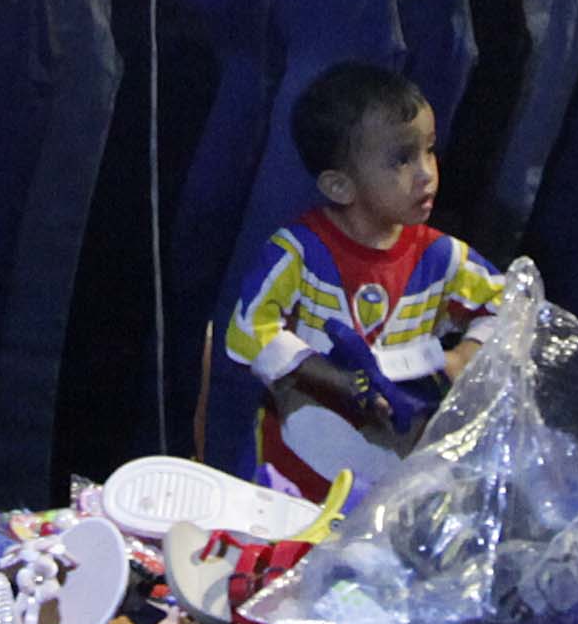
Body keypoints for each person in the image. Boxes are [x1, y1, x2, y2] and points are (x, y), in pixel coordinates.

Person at [217, 59, 519, 506]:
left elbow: (512, 305)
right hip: (292, 481)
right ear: (339, 186)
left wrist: (462, 357)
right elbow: (246, 332)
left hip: (391, 489)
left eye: (429, 150)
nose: (426, 172)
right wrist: (340, 381)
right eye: (402, 159)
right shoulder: (298, 254)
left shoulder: (441, 257)